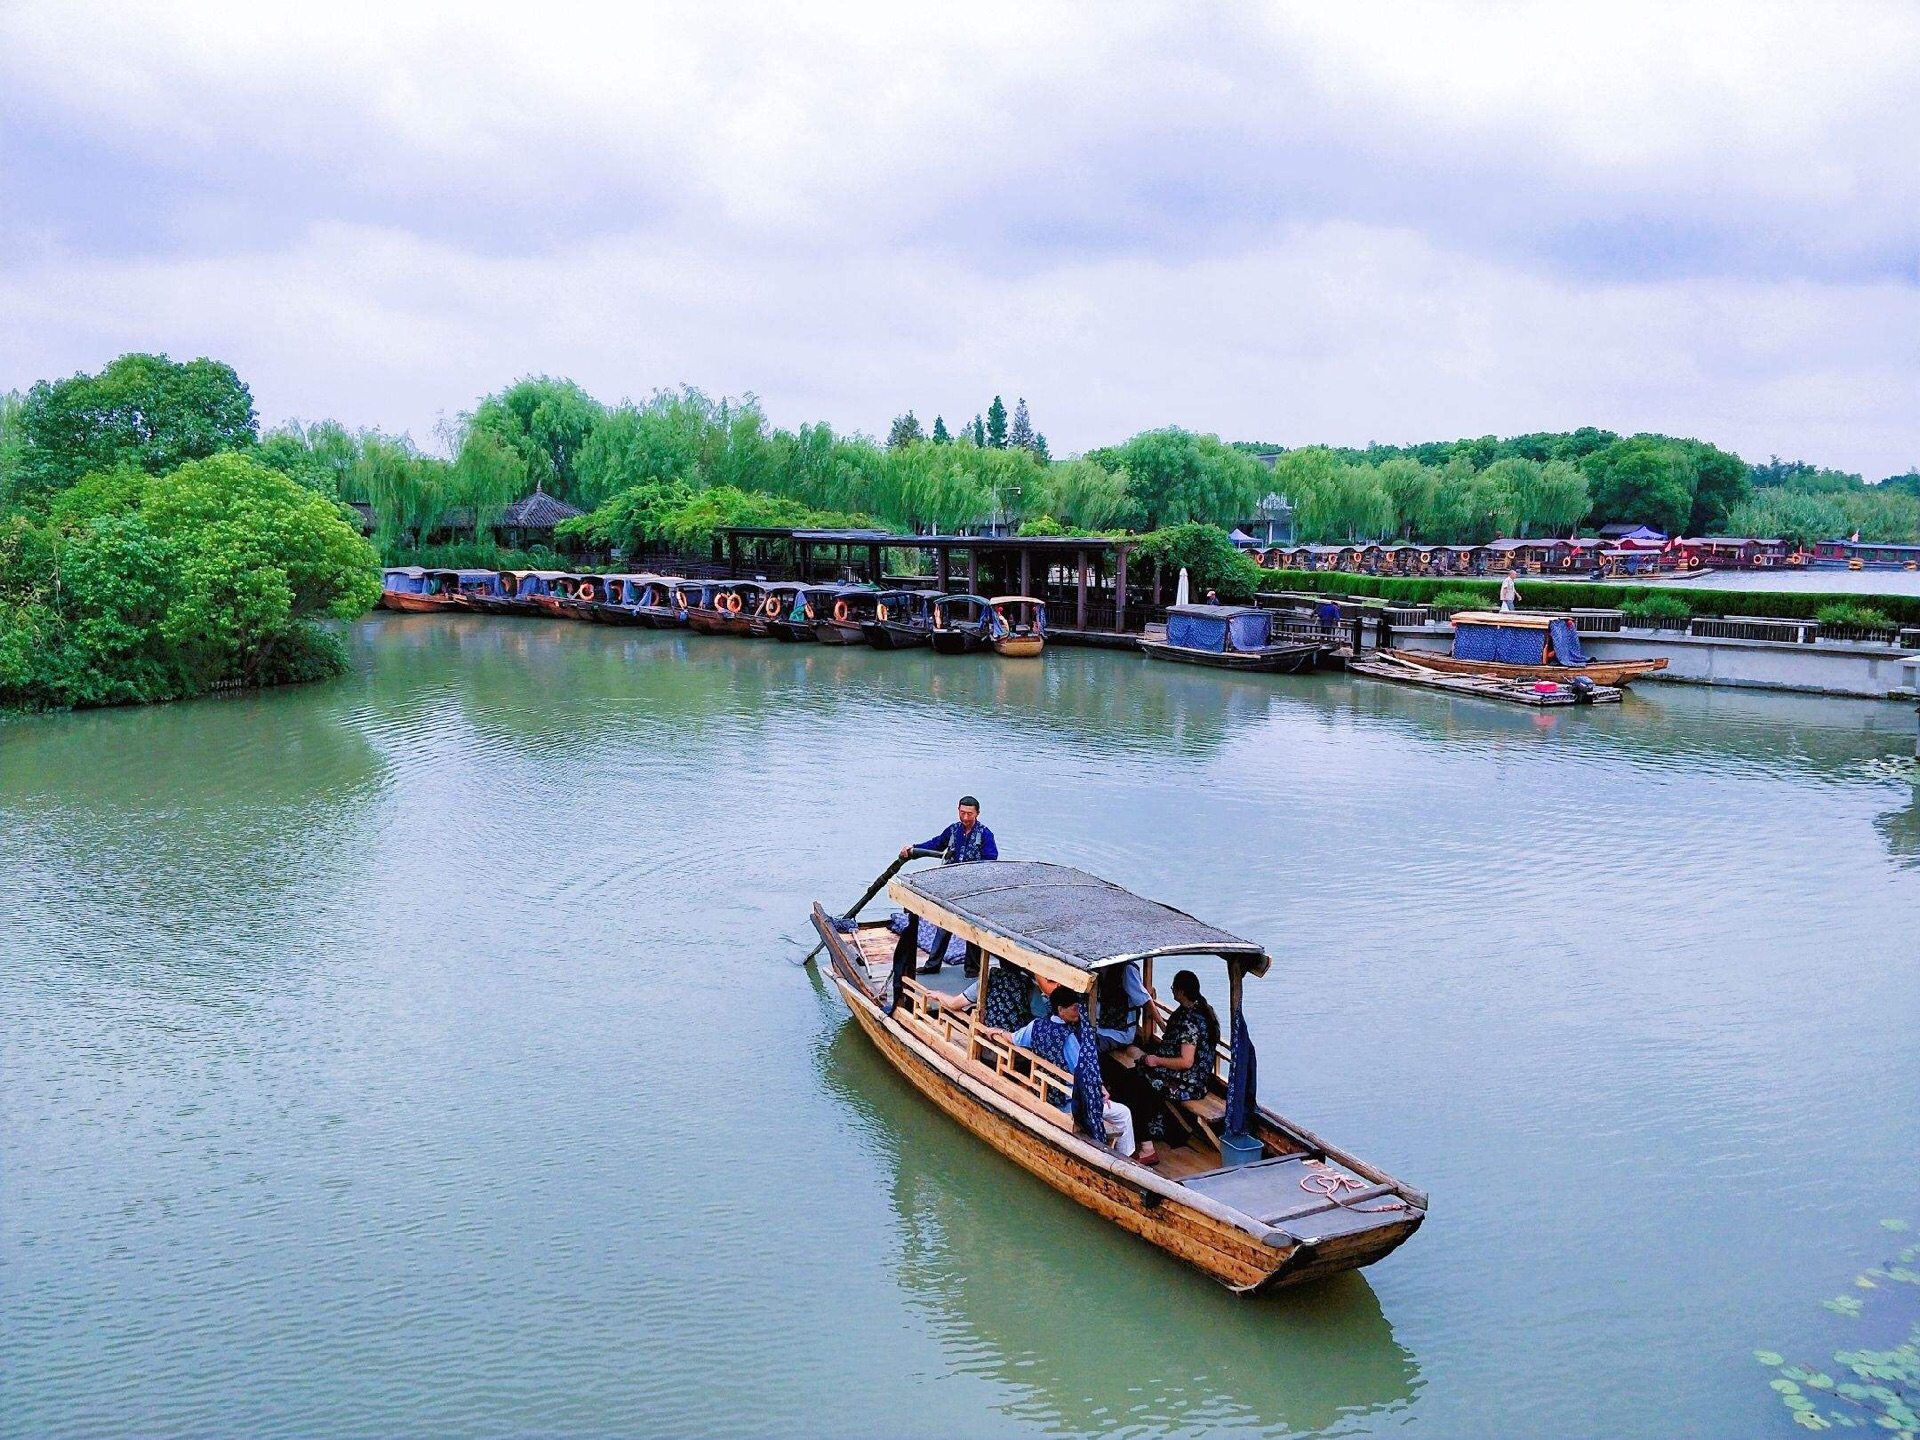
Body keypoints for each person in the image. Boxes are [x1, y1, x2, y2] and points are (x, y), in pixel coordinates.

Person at [1106, 970, 1219, 1167]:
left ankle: (1147, 1147)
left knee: (1135, 1086)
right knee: (1131, 1074)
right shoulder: (1199, 1009)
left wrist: (1156, 1061)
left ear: (1181, 992)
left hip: (1187, 1081)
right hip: (1187, 1074)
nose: (1173, 992)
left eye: (1174, 989)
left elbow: (1186, 1061)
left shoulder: (1191, 1022)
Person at [1008, 989, 1137, 1159]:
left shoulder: (1036, 1026)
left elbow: (1014, 1038)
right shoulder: (1069, 1038)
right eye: (1074, 1008)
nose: (1078, 1012)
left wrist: (996, 1032)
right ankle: (1126, 1159)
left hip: (1045, 1091)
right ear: (1061, 1010)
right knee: (1123, 1113)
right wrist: (1100, 1089)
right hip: (1069, 1101)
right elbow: (1083, 1071)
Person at [901, 795, 998, 975]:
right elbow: (936, 844)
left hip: (974, 890)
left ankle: (972, 968)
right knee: (943, 924)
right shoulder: (953, 830)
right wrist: (913, 848)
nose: (965, 817)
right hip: (950, 888)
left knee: (973, 928)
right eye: (962, 813)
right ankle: (932, 965)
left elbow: (991, 860)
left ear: (977, 813)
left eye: (969, 814)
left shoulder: (985, 834)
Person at [1093, 961, 1151, 1053]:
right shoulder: (1098, 966)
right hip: (1097, 1028)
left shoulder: (1128, 969)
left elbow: (1145, 1000)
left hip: (1119, 1033)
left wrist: (1162, 1025)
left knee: (1087, 1048)